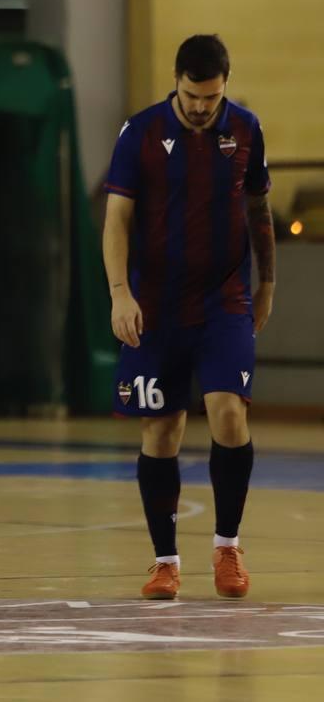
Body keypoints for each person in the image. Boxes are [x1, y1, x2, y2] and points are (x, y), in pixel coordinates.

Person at [102, 34, 272, 600]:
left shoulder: (245, 129)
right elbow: (117, 220)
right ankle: (165, 562)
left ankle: (227, 548)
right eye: (193, 96)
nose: (202, 107)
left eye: (213, 97)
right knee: (162, 430)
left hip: (223, 301)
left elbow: (259, 208)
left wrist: (267, 282)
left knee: (227, 414)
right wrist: (120, 293)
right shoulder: (141, 133)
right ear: (176, 81)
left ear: (224, 87)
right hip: (155, 306)